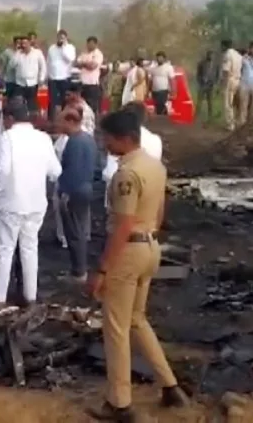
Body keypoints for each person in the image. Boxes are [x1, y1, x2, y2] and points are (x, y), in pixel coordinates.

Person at [88, 110, 188, 422]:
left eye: (107, 137)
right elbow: (159, 214)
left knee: (116, 328)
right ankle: (170, 386)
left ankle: (120, 403)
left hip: (128, 250)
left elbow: (122, 225)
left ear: (123, 138)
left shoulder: (126, 175)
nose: (104, 143)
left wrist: (103, 268)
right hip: (151, 246)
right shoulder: (155, 166)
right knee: (136, 320)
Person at [0, 98, 61, 309]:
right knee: (30, 248)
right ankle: (29, 295)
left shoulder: (8, 138)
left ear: (9, 118)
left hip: (11, 202)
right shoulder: (43, 138)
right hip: (36, 203)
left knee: (4, 249)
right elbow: (55, 171)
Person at [57, 110, 96, 281]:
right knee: (80, 229)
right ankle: (79, 269)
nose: (60, 126)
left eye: (62, 122)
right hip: (86, 188)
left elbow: (71, 171)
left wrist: (65, 193)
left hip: (74, 191)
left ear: (71, 121)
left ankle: (79, 271)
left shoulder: (74, 142)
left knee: (74, 232)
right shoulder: (88, 139)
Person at [103, 102, 162, 210]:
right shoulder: (156, 140)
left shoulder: (120, 140)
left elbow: (109, 173)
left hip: (122, 195)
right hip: (149, 196)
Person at [11, 36, 47, 113]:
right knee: (18, 103)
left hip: (32, 83)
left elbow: (43, 66)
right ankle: (20, 118)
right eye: (22, 44)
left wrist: (41, 78)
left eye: (25, 43)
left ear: (29, 43)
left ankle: (32, 119)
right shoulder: (18, 54)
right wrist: (17, 53)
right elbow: (12, 65)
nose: (23, 45)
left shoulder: (37, 53)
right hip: (20, 83)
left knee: (32, 104)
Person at [46, 29, 77, 119]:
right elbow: (48, 61)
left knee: (65, 100)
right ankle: (51, 120)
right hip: (53, 78)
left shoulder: (70, 47)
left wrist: (63, 47)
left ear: (66, 38)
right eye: (59, 37)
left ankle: (65, 118)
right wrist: (47, 75)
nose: (60, 39)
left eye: (63, 38)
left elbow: (70, 59)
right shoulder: (52, 48)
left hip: (65, 77)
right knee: (52, 100)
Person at [77, 36, 105, 113]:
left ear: (95, 44)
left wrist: (84, 63)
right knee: (82, 105)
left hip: (92, 84)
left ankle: (93, 122)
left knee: (92, 106)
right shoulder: (84, 53)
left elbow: (92, 66)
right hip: (83, 83)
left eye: (91, 44)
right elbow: (78, 63)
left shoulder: (98, 54)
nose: (89, 45)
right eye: (88, 43)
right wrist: (86, 63)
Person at [220, 40, 243, 130]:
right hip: (238, 79)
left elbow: (226, 70)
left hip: (230, 79)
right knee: (236, 103)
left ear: (224, 46)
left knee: (228, 103)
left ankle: (230, 124)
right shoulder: (238, 55)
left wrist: (224, 83)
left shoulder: (227, 55)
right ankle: (238, 121)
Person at [195, 50, 221, 123]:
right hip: (202, 85)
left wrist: (216, 83)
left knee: (210, 102)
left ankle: (210, 116)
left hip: (211, 85)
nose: (211, 56)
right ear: (207, 55)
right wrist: (200, 80)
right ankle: (196, 116)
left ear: (214, 56)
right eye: (209, 55)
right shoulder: (201, 63)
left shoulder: (216, 64)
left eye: (212, 55)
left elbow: (218, 75)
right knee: (199, 101)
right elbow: (198, 74)